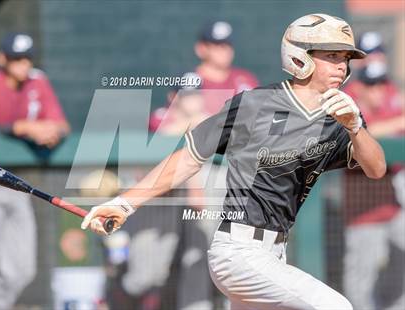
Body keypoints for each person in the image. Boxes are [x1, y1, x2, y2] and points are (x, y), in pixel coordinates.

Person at [81, 13, 386, 309]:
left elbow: (376, 169)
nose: (341, 66)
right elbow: (189, 157)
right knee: (334, 306)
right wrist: (124, 203)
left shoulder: (339, 118)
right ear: (299, 57)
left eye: (345, 58)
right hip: (239, 251)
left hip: (274, 253)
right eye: (331, 56)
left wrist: (355, 126)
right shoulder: (255, 104)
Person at [342, 59, 405, 310]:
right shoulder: (350, 109)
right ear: (361, 87)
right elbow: (365, 131)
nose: (377, 91)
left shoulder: (390, 109)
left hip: (392, 208)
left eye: (381, 85)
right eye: (371, 85)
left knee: (398, 272)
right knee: (360, 280)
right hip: (362, 213)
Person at [0, 32, 70, 148]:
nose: (24, 63)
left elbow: (63, 125)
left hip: (32, 161)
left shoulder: (38, 80)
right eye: (17, 58)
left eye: (28, 57)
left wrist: (53, 131)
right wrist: (24, 127)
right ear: (2, 58)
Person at [194, 21, 259, 116]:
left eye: (228, 45)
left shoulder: (245, 79)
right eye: (217, 45)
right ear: (201, 48)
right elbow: (171, 122)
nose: (225, 50)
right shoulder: (189, 81)